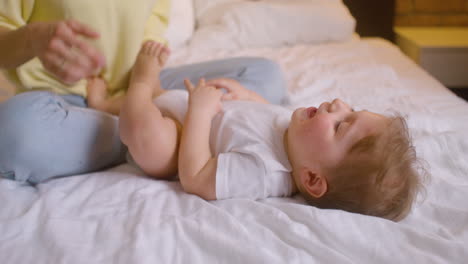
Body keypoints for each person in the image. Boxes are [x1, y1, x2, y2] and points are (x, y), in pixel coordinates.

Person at [120, 41, 424, 222]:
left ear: (312, 179)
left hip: (179, 137)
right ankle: (116, 100)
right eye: (351, 109)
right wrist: (249, 98)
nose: (338, 104)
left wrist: (199, 112)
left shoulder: (265, 171)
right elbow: (267, 116)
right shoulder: (299, 132)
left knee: (149, 138)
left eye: (341, 124)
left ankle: (142, 83)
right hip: (183, 106)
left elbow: (197, 178)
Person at [0, 0, 286, 184]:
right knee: (12, 133)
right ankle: (157, 132)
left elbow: (150, 41)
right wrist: (32, 39)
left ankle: (152, 132)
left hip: (146, 85)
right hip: (64, 101)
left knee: (266, 75)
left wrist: (148, 84)